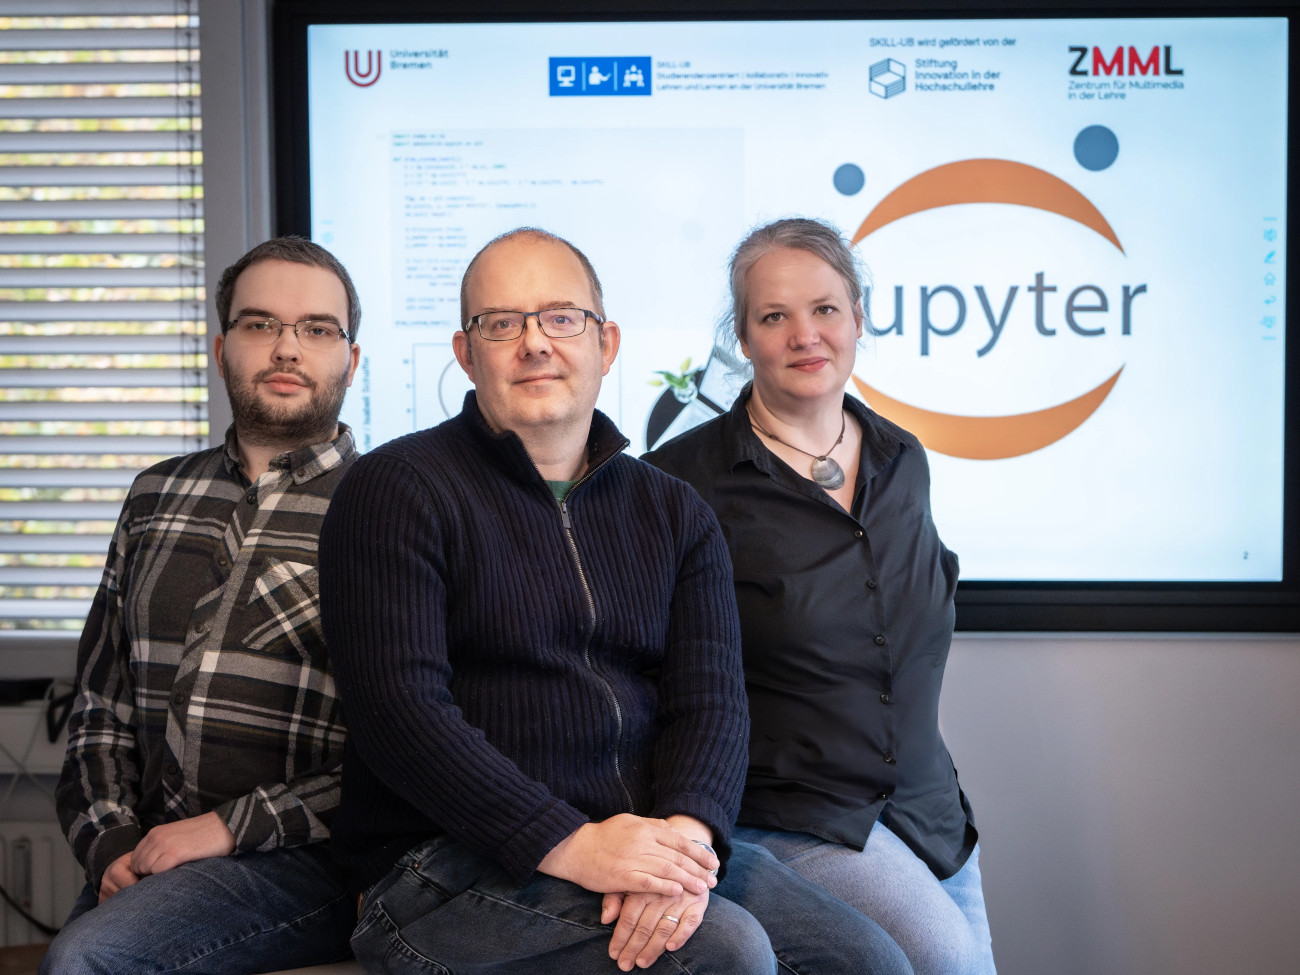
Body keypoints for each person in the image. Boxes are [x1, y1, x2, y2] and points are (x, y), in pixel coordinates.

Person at [317, 227, 912, 975]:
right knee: (727, 955)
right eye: (502, 323)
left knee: (867, 961)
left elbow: (712, 705)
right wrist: (578, 845)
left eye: (562, 317)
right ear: (467, 354)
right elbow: (399, 713)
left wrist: (685, 848)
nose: (536, 343)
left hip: (638, 838)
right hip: (441, 866)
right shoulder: (395, 488)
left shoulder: (673, 510)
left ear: (608, 343)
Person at [645, 217, 996, 975]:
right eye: (774, 316)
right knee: (944, 964)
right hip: (793, 815)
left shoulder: (905, 460)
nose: (805, 334)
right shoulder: (682, 482)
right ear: (742, 337)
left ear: (859, 318)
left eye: (825, 309)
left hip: (927, 809)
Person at [41, 237, 364, 975]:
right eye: (260, 324)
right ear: (222, 348)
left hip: (305, 860)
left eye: (317, 328)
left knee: (86, 962)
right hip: (149, 853)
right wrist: (112, 843)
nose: (287, 347)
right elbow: (99, 706)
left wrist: (228, 826)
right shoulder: (155, 496)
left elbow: (405, 750)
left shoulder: (389, 507)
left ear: (352, 358)